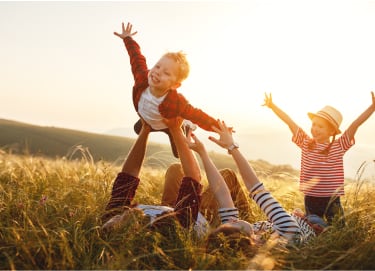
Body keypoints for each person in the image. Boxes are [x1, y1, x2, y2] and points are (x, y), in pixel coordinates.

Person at [187, 120, 327, 253]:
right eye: (234, 223)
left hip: (288, 218)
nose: (233, 220)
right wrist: (232, 147)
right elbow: (255, 187)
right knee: (321, 218)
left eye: (229, 222)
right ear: (245, 238)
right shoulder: (287, 231)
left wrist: (202, 153)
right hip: (310, 222)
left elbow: (222, 194)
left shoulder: (246, 238)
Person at [263, 92, 375, 225]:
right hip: (311, 198)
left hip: (332, 198)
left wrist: (372, 108)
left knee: (339, 228)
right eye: (314, 124)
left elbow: (354, 125)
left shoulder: (338, 146)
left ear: (332, 131)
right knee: (314, 225)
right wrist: (273, 106)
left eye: (320, 126)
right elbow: (289, 122)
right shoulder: (306, 143)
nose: (315, 129)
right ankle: (314, 227)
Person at [114, 21, 219, 158]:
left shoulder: (176, 103)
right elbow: (136, 57)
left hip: (168, 123)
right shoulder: (142, 78)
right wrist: (128, 38)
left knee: (178, 153)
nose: (157, 72)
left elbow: (197, 115)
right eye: (157, 67)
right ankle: (149, 122)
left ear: (175, 85)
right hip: (148, 117)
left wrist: (218, 128)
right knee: (137, 129)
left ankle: (185, 125)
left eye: (166, 73)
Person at [100, 117, 209, 236]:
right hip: (198, 213)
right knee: (226, 176)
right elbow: (194, 178)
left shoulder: (114, 215)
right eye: (110, 226)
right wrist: (176, 129)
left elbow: (129, 175)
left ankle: (178, 130)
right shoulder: (166, 228)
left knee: (175, 169)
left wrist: (145, 129)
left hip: (169, 207)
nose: (110, 220)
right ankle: (182, 131)